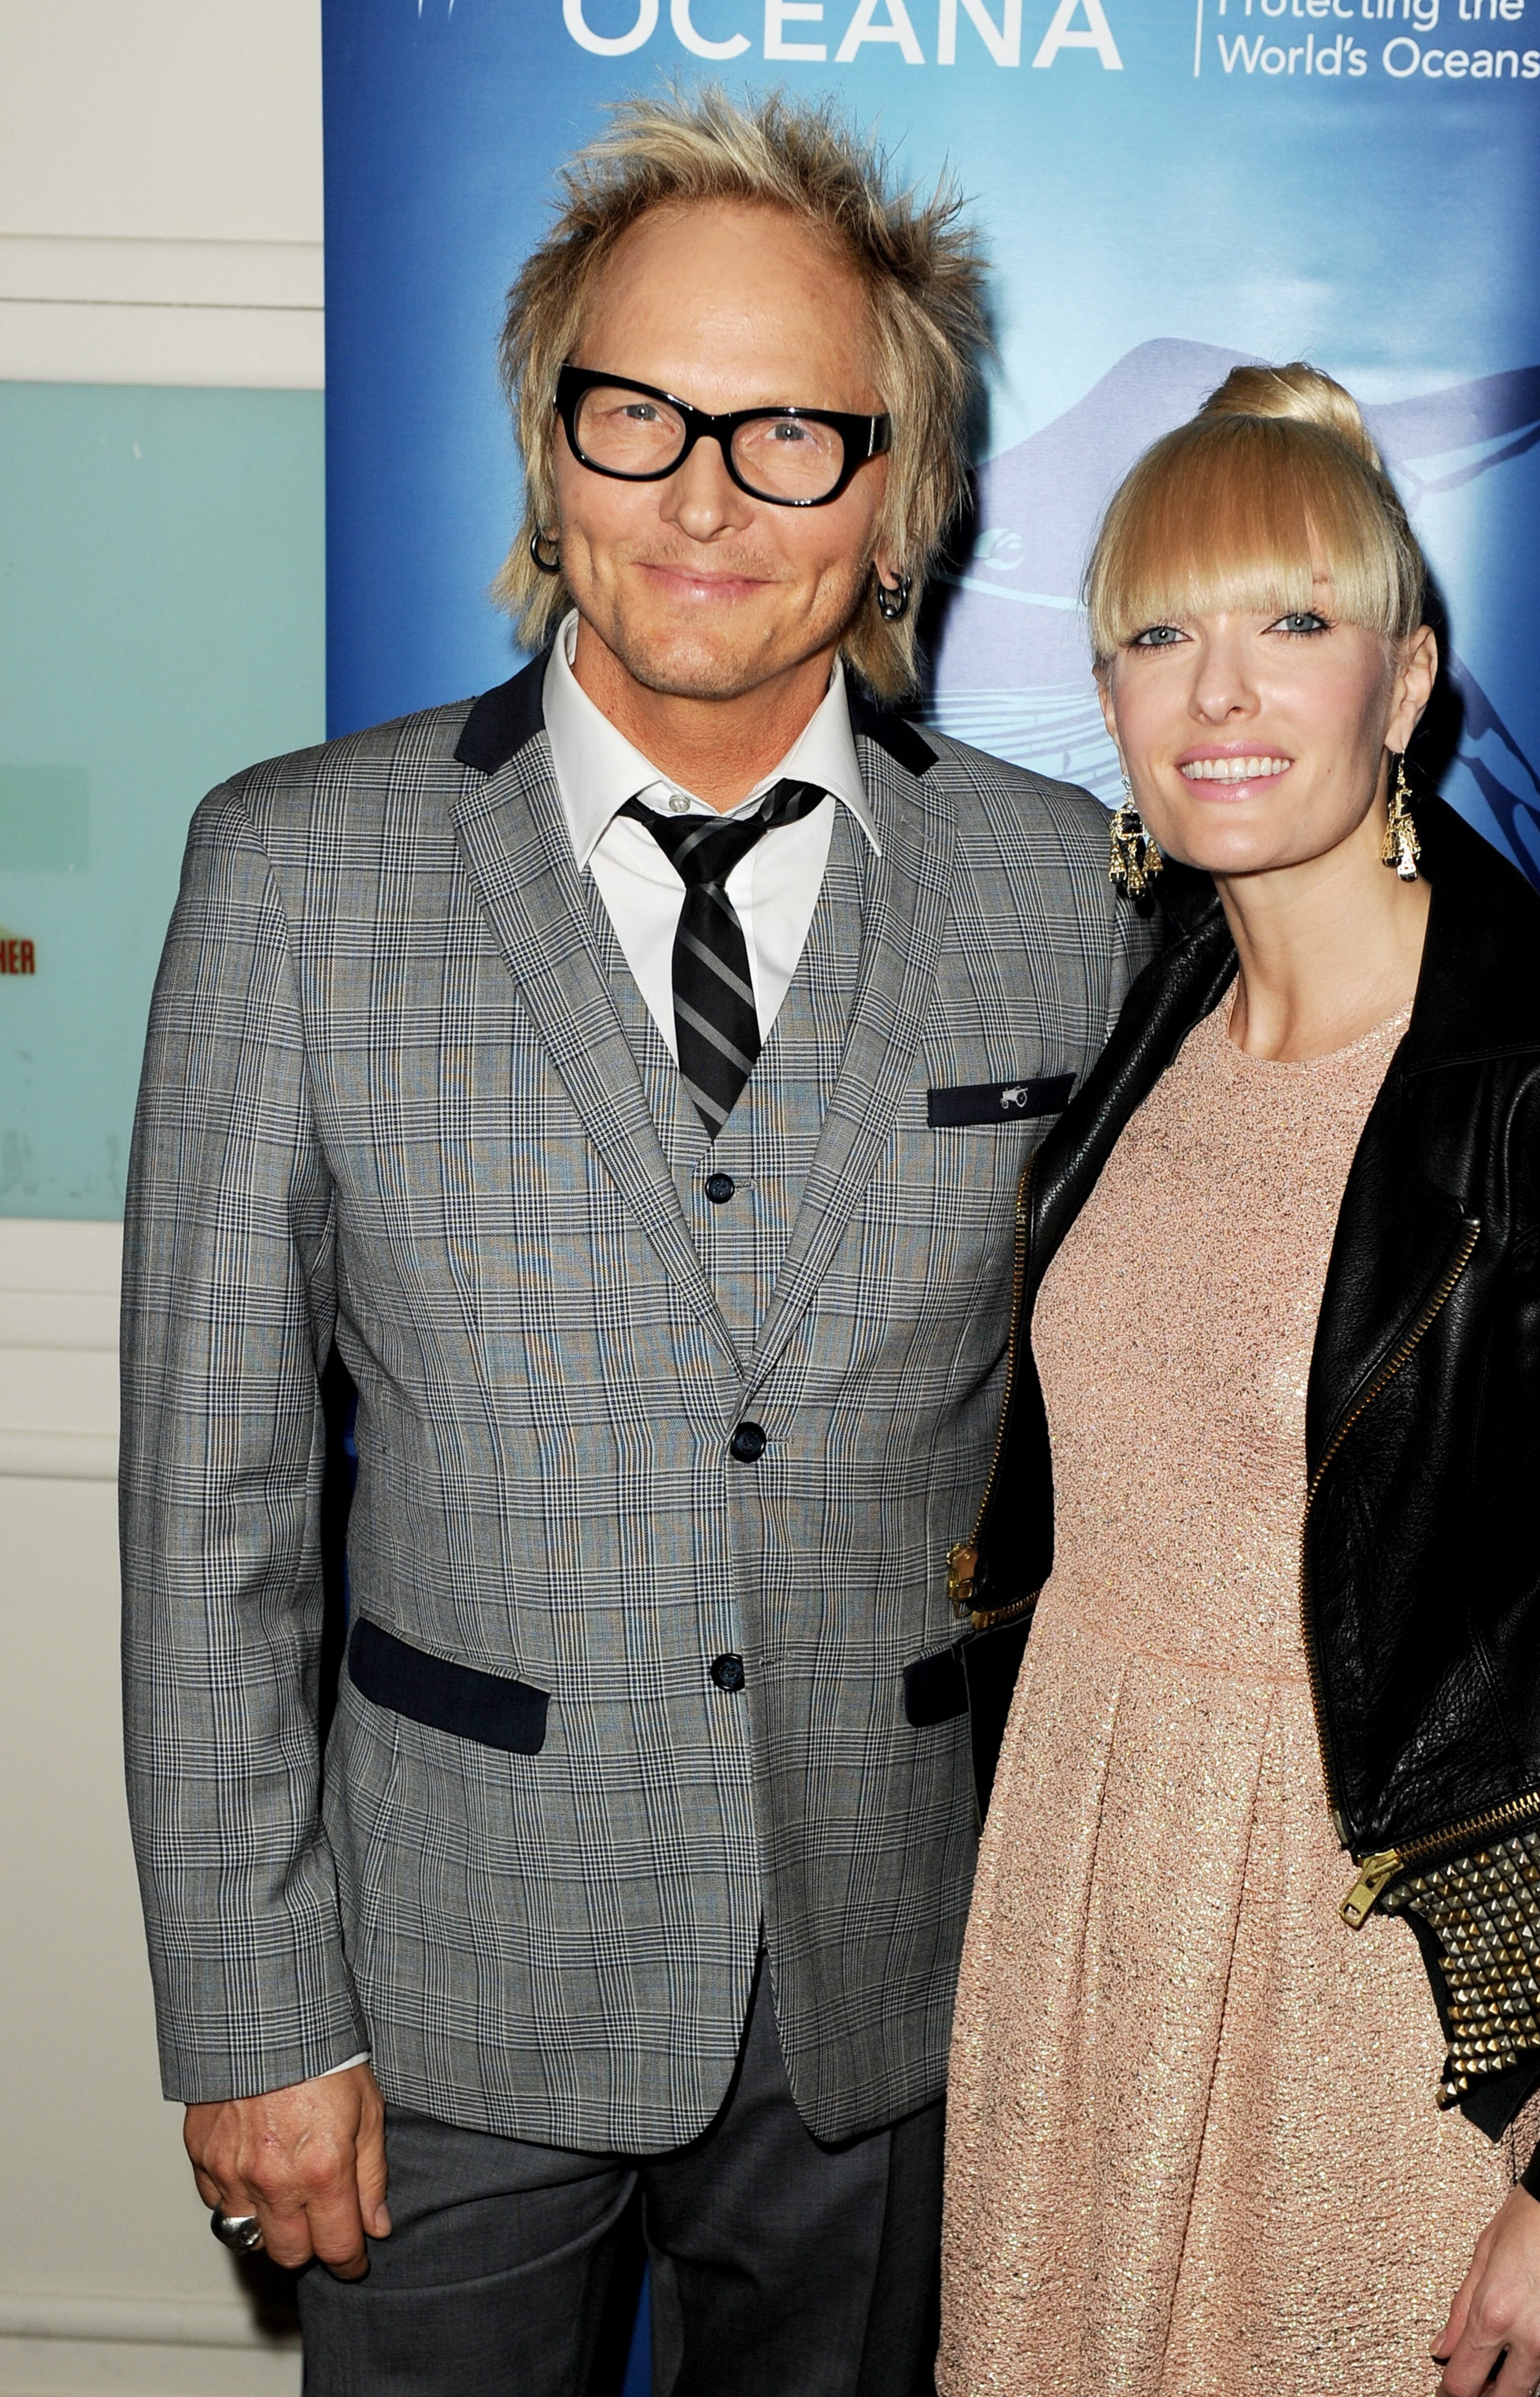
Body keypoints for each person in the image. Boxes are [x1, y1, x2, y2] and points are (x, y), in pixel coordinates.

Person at [120, 91, 1152, 2397]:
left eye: (794, 432)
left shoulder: (1062, 897)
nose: (703, 494)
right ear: (545, 454)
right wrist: (248, 2006)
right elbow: (213, 1514)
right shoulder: (294, 877)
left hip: (901, 1983)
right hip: (436, 1986)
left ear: (899, 497)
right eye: (639, 415)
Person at [936, 364, 1540, 2397]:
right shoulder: (1145, 1027)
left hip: (1382, 1998)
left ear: (1409, 681)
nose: (1222, 695)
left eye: (1295, 625)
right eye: (1161, 635)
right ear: (1105, 694)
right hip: (1078, 1939)